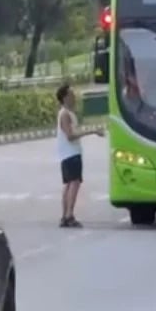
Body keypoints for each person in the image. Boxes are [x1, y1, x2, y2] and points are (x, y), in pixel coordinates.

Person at [56, 83, 103, 228]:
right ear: (64, 98)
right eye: (71, 95)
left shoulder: (68, 113)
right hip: (71, 154)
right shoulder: (64, 114)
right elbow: (70, 135)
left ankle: (65, 215)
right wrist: (92, 131)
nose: (74, 97)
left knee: (69, 184)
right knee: (74, 184)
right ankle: (69, 215)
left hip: (69, 154)